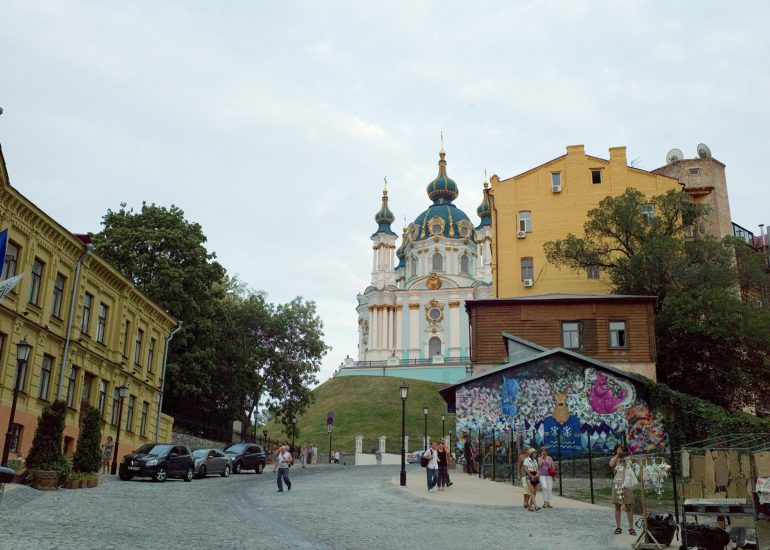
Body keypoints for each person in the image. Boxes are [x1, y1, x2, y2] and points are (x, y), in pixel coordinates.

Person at [610, 444, 637, 536]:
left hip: (627, 484)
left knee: (629, 506)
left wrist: (625, 457)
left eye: (621, 449)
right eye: (618, 449)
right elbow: (611, 465)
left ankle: (631, 528)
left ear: (625, 451)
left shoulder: (628, 459)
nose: (619, 450)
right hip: (617, 483)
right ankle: (618, 527)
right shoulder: (614, 458)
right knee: (617, 506)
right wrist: (617, 455)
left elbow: (630, 465)